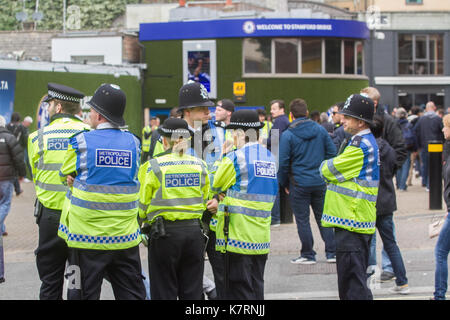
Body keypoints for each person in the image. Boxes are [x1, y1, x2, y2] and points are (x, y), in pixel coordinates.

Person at [58, 84, 146, 300]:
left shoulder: (81, 142)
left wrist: (71, 178)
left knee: (80, 291)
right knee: (132, 294)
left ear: (98, 115)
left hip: (85, 238)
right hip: (125, 236)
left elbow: (64, 174)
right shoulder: (134, 143)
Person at [28, 83, 91, 300]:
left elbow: (36, 177)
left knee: (50, 279)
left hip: (50, 218)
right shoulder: (90, 135)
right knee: (77, 277)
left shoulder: (37, 137)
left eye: (50, 105)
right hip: (79, 217)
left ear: (58, 108)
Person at [138, 117, 210, 299]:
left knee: (163, 290)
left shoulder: (153, 167)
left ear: (164, 141)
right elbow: (205, 199)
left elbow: (142, 205)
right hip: (194, 234)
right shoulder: (200, 166)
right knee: (192, 291)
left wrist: (144, 222)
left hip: (164, 236)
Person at [212, 109, 278, 299]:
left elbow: (216, 183)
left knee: (240, 291)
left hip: (238, 236)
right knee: (257, 286)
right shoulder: (269, 158)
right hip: (261, 236)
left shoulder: (236, 157)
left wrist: (223, 155)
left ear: (240, 133)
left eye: (232, 131)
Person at [320, 94, 379, 300]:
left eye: (347, 116)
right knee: (353, 281)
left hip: (352, 220)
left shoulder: (360, 146)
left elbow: (328, 170)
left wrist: (327, 168)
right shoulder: (361, 142)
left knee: (352, 285)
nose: (342, 119)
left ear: (360, 121)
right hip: (354, 219)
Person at [178, 81, 226, 299]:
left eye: (209, 107)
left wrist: (219, 198)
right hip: (187, 217)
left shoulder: (219, 134)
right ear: (187, 112)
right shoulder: (172, 136)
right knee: (190, 277)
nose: (209, 112)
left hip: (215, 214)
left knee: (224, 275)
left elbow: (228, 170)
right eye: (202, 108)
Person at [278, 98, 336, 265]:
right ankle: (332, 252)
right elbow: (332, 154)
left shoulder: (288, 135)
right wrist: (325, 175)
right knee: (323, 218)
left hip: (298, 183)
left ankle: (308, 254)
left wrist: (285, 184)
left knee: (302, 220)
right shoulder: (320, 130)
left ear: (291, 115)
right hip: (319, 182)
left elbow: (282, 163)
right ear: (307, 112)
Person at [368, 115, 410, 295]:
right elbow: (393, 168)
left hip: (369, 201)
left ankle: (366, 281)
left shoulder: (366, 148)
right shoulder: (389, 150)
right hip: (386, 199)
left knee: (365, 244)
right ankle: (402, 282)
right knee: (391, 243)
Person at [0, 114, 26, 282]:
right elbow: (18, 157)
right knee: (4, 204)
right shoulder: (9, 138)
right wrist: (22, 175)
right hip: (6, 179)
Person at [360, 87, 407, 173]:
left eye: (363, 101)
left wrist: (387, 171)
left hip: (382, 178)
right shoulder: (361, 120)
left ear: (374, 103)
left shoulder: (389, 122)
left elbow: (400, 149)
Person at [433, 113, 450, 300]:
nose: (442, 129)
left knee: (440, 252)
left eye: (445, 126)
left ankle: (439, 295)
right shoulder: (447, 148)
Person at [267, 99, 290, 226]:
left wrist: (262, 141)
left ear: (282, 109)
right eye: (271, 108)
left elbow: (275, 139)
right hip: (280, 157)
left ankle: (275, 218)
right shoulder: (284, 121)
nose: (271, 111)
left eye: (274, 108)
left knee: (273, 188)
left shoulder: (280, 121)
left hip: (275, 158)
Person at [413, 101, 444, 190]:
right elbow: (442, 132)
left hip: (424, 145)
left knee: (425, 164)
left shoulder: (421, 119)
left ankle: (425, 182)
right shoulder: (438, 119)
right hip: (436, 146)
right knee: (434, 166)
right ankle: (431, 184)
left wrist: (418, 144)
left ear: (426, 108)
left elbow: (415, 132)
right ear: (434, 108)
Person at [6, 112, 28, 196]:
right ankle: (17, 189)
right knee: (15, 170)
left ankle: (17, 189)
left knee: (9, 169)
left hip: (7, 150)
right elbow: (25, 139)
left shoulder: (7, 126)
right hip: (17, 150)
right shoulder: (21, 127)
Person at [395, 107, 416, 191]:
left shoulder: (394, 124)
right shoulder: (409, 124)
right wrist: (415, 149)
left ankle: (398, 184)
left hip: (396, 147)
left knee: (398, 166)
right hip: (407, 147)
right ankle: (402, 185)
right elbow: (414, 137)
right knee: (406, 166)